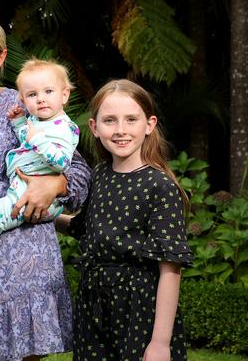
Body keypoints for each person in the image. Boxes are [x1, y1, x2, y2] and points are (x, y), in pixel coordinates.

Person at [0, 13, 91, 360]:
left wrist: (55, 184)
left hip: (21, 265)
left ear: (1, 58)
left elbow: (81, 174)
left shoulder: (25, 105)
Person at [55, 79, 193, 360]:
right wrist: (45, 215)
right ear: (94, 127)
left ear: (149, 125)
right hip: (94, 307)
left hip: (138, 311)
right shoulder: (99, 175)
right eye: (110, 120)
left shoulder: (159, 186)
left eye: (131, 120)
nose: (120, 130)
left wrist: (160, 343)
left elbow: (170, 269)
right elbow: (84, 228)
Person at [0, 58, 80, 276]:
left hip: (30, 198)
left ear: (64, 95)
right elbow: (28, 140)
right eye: (32, 95)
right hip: (21, 192)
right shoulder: (37, 122)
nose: (41, 99)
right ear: (23, 100)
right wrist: (19, 123)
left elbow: (63, 162)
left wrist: (39, 140)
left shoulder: (64, 128)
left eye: (48, 91)